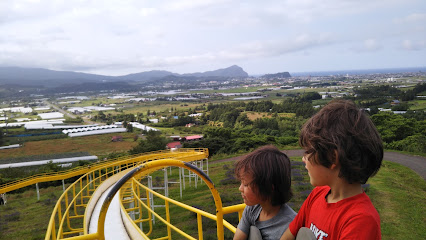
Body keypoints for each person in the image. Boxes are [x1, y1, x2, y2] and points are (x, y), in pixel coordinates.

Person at [281, 100, 383, 240]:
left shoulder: (360, 221)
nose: (303, 159)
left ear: (332, 158)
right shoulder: (317, 194)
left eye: (308, 151)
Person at [234, 145, 297, 240]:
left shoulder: (289, 226)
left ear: (268, 188)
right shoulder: (252, 209)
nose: (240, 188)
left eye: (246, 184)